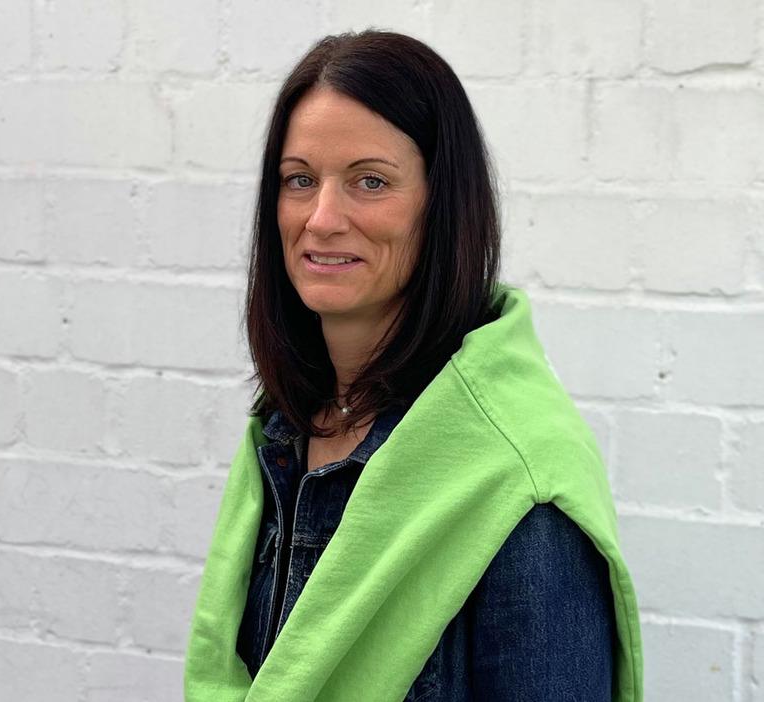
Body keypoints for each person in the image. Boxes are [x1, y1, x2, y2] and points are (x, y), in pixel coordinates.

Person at [184, 29, 644, 701]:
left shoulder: (520, 485)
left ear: (444, 203)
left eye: (370, 181)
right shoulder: (283, 432)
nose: (322, 218)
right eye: (300, 180)